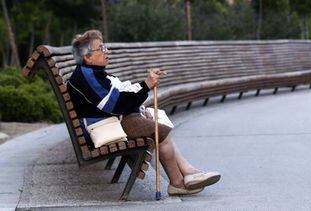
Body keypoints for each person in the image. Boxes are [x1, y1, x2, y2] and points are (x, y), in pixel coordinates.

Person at [67, 30, 220, 196]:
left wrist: (141, 96)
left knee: (156, 121)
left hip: (113, 120)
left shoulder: (92, 72)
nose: (107, 51)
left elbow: (118, 97)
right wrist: (146, 86)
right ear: (87, 56)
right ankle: (177, 182)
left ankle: (189, 173)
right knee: (160, 131)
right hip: (104, 126)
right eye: (101, 48)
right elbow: (115, 103)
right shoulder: (86, 76)